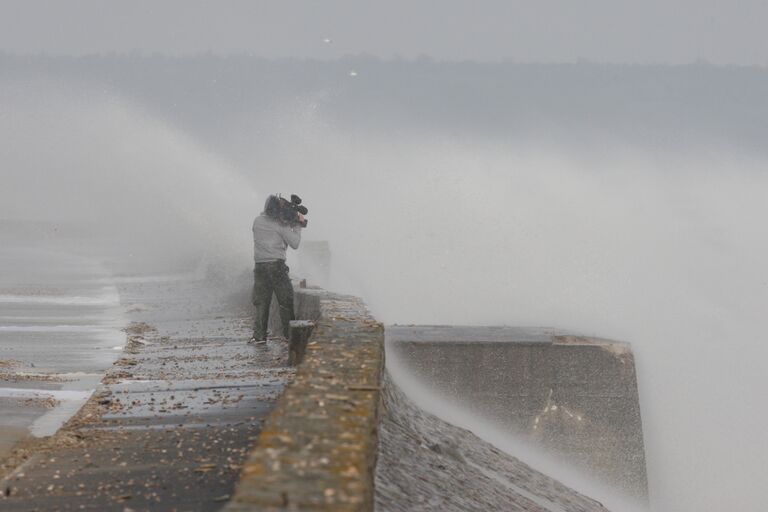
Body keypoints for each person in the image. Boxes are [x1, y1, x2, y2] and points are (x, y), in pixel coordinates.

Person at [250, 195, 305, 344]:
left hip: (260, 266)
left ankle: (259, 336)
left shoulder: (257, 221)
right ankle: (290, 336)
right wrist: (298, 225)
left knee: (262, 302)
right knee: (285, 301)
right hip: (276, 266)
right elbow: (295, 243)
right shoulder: (280, 225)